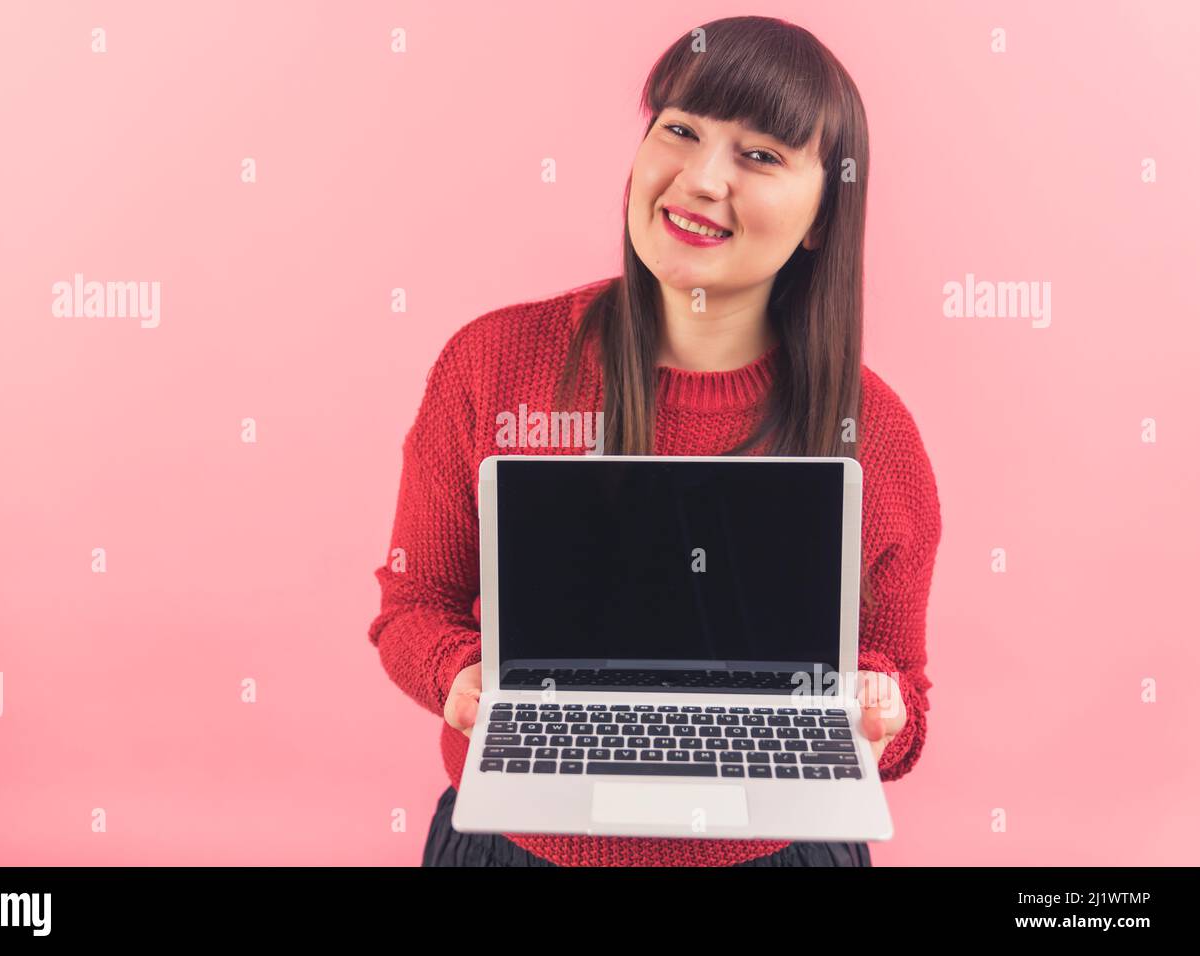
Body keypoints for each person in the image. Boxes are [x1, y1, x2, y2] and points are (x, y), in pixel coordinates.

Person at [369, 14, 942, 867]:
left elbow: (904, 712)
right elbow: (414, 608)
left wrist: (875, 706)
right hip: (517, 848)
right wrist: (462, 679)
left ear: (823, 216)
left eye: (761, 155)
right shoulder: (489, 367)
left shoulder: (877, 433)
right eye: (679, 130)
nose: (702, 179)